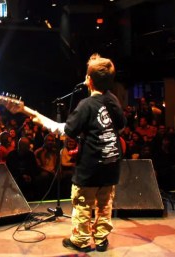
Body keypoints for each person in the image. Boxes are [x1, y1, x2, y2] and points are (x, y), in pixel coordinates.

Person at [30, 53, 126, 252]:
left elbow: (66, 131)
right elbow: (121, 126)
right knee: (104, 204)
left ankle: (81, 241)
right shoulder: (114, 100)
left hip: (90, 167)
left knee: (83, 204)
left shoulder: (86, 105)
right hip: (111, 164)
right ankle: (101, 239)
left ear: (89, 80)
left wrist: (41, 120)